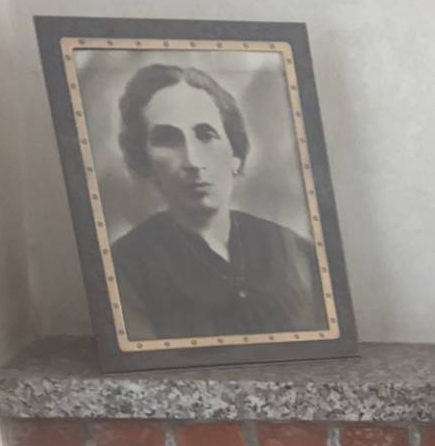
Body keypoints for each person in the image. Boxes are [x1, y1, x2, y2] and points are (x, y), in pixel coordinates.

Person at [108, 63, 327, 341]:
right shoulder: (125, 268)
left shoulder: (296, 251)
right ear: (144, 162)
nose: (193, 161)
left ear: (235, 154)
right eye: (167, 140)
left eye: (206, 135)